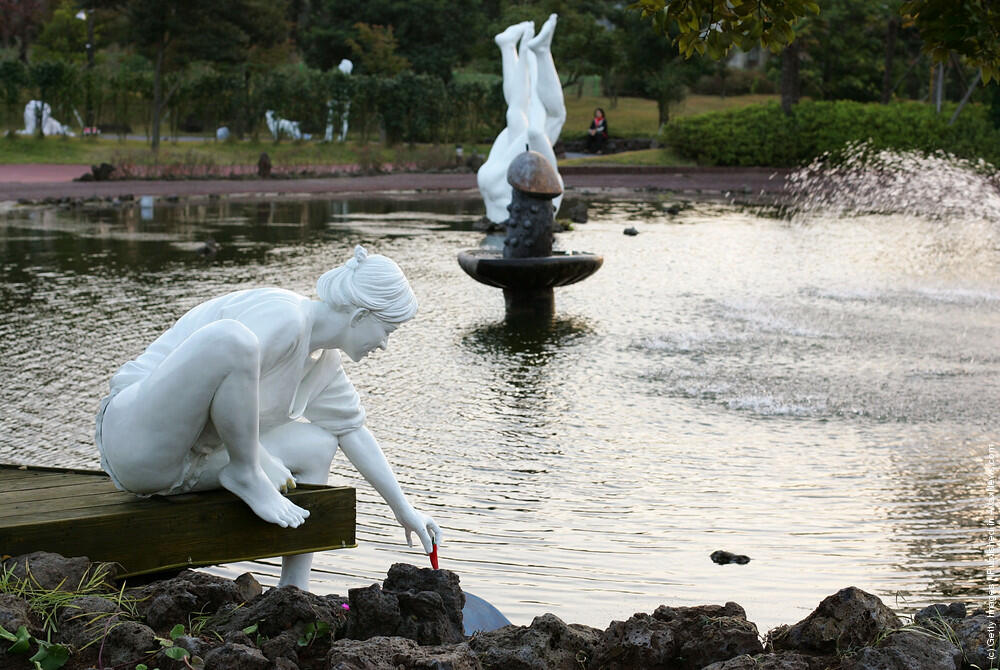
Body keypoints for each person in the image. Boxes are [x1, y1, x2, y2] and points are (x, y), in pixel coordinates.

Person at [95, 245, 441, 590]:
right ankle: (245, 471)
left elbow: (352, 429)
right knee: (231, 340)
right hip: (136, 442)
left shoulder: (323, 363)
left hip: (188, 467)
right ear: (360, 316)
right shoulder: (284, 314)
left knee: (319, 443)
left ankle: (294, 589)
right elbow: (221, 375)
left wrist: (404, 510)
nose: (383, 345)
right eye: (387, 331)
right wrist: (254, 459)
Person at [476, 14, 566, 223]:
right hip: (503, 191)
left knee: (519, 112)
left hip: (495, 183)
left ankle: (511, 48)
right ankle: (532, 50)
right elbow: (535, 128)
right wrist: (533, 57)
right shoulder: (547, 183)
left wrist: (527, 55)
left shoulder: (541, 176)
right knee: (542, 116)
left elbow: (524, 110)